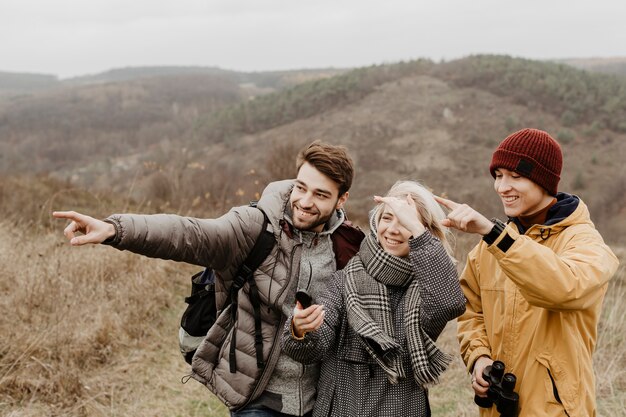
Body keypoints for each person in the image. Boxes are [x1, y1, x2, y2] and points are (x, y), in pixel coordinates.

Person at [53, 141, 365, 417]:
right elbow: (189, 233)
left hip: (322, 399)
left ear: (341, 199)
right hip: (257, 394)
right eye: (301, 187)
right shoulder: (256, 226)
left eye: (321, 194)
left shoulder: (348, 246)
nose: (305, 201)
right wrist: (115, 229)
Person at [435, 128, 619, 417]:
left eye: (515, 176)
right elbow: (471, 310)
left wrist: (491, 233)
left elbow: (564, 288)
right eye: (498, 175)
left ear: (544, 181)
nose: (502, 187)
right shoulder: (491, 247)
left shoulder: (585, 242)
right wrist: (479, 357)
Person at [281, 180, 466, 416]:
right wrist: (300, 329)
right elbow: (310, 350)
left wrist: (419, 233)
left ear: (425, 232)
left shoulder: (428, 288)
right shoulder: (344, 280)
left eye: (406, 222)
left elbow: (449, 303)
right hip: (342, 409)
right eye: (387, 218)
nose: (392, 229)